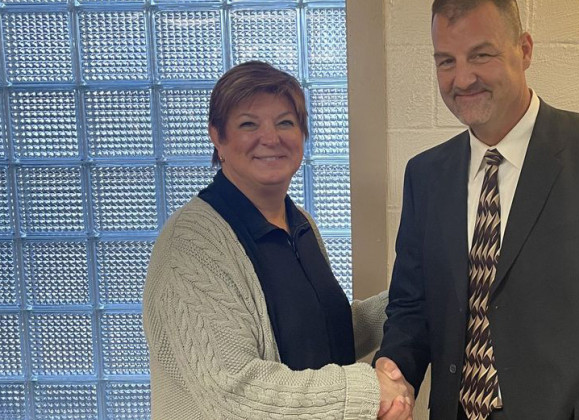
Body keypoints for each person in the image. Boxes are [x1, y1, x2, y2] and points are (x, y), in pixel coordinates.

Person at [374, 1, 579, 419]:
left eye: (480, 55)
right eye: (446, 61)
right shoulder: (426, 176)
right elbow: (412, 307)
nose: (462, 78)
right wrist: (394, 373)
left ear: (523, 50)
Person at [143, 61, 413, 420]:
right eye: (248, 124)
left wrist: (411, 298)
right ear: (217, 137)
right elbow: (235, 391)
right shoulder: (190, 248)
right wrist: (370, 391)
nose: (270, 138)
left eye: (285, 122)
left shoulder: (299, 224)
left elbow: (323, 332)